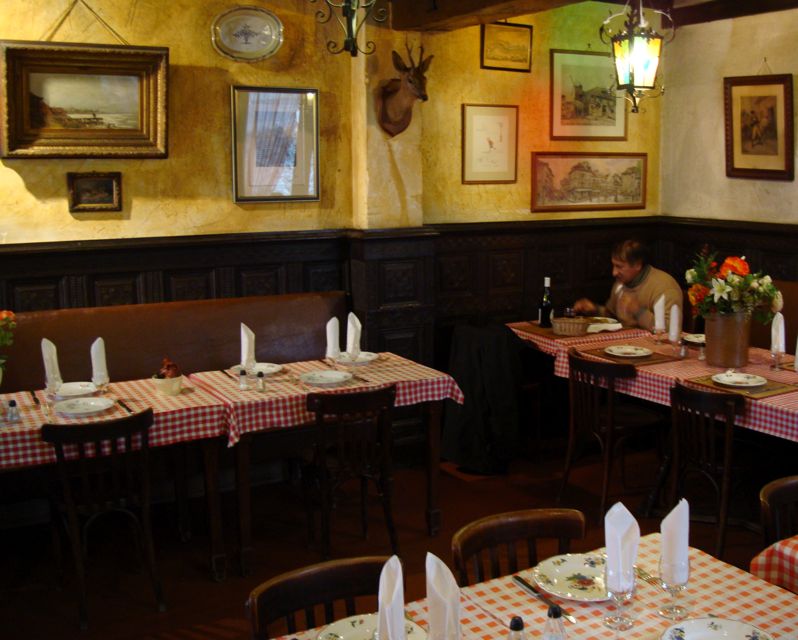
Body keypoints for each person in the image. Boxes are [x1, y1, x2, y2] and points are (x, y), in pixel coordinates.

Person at [572, 239, 682, 330]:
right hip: (622, 344)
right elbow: (611, 316)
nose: (614, 273)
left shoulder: (664, 287)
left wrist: (638, 311)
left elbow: (669, 329)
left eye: (619, 266)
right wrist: (594, 309)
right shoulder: (621, 283)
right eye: (613, 266)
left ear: (637, 265)